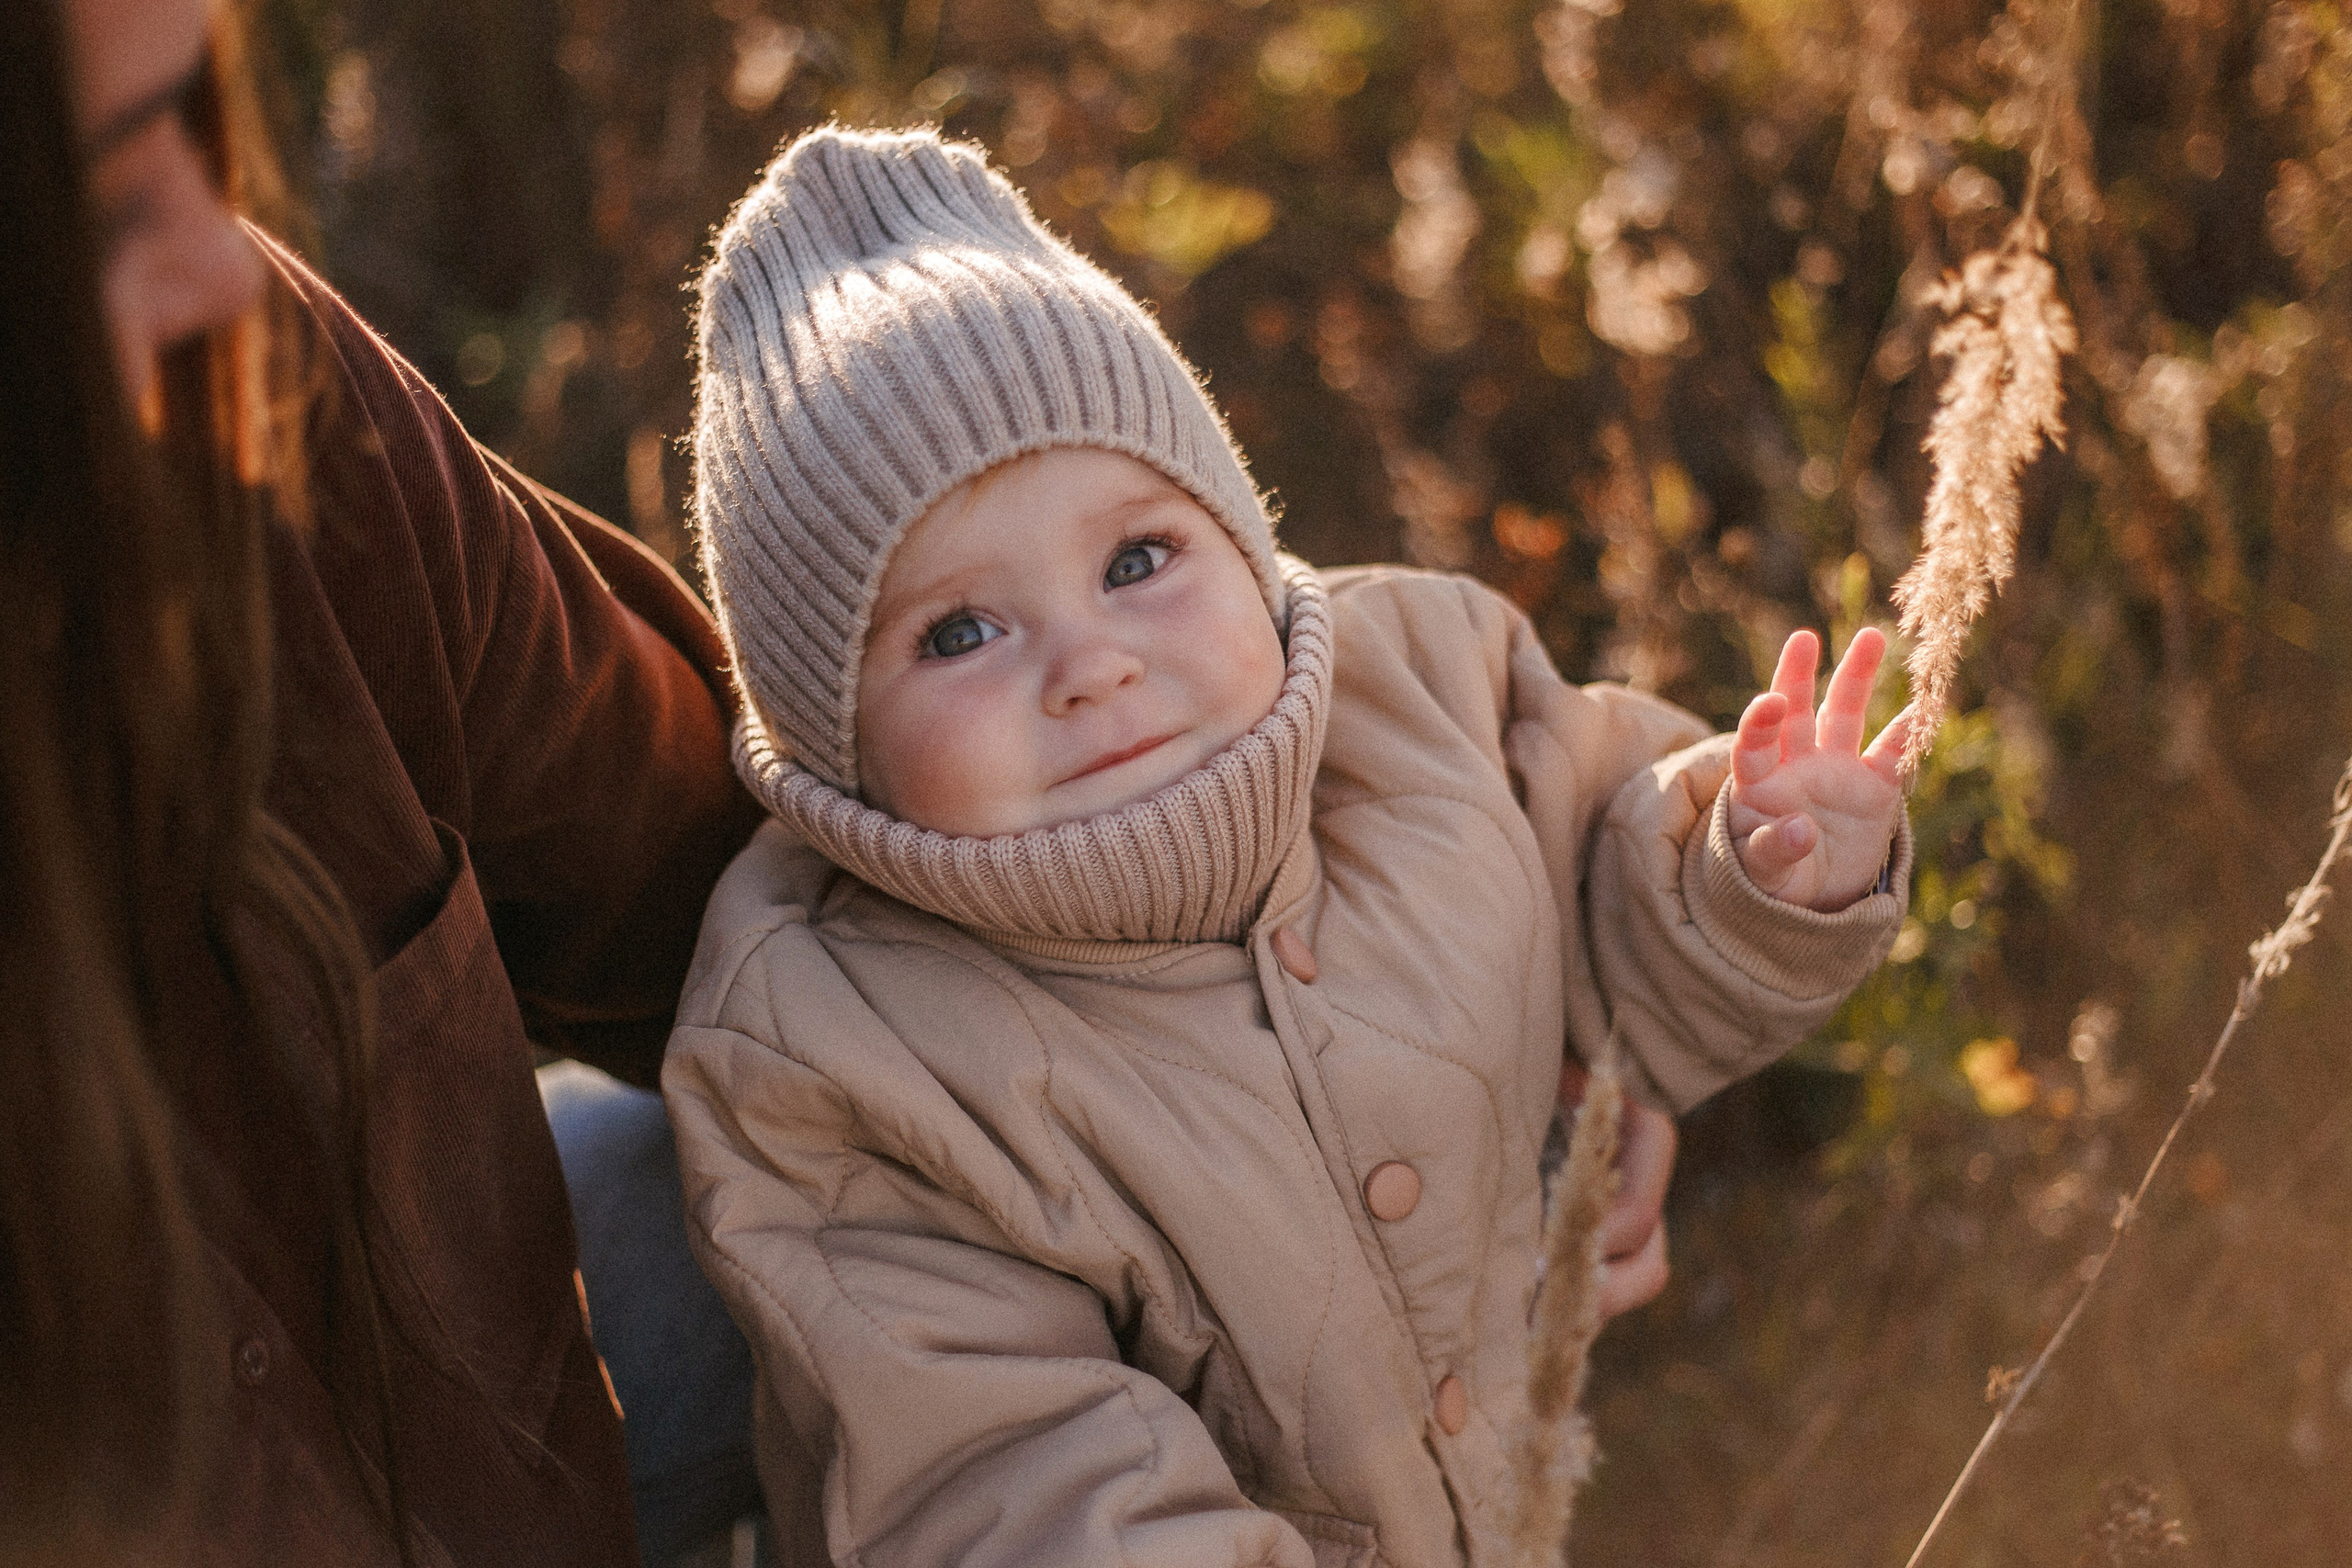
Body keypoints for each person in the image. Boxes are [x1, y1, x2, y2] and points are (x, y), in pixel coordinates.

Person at [662, 126, 1915, 1568]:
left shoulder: (1428, 690)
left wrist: (1755, 871)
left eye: (1138, 561)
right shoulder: (838, 1050)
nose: (1091, 664)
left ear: (1244, 541)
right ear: (834, 742)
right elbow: (1013, 1479)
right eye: (960, 632)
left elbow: (1608, 905)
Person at [0, 0, 766, 1560]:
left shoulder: (254, 406)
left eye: (200, 138)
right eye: (109, 204)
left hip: (489, 1486)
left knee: (777, 1143)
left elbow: (717, 876)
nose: (226, 269)